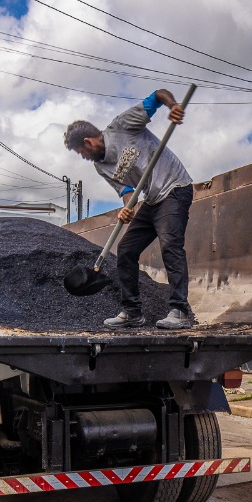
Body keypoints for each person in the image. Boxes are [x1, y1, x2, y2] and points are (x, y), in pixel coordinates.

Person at [64, 89, 194, 331]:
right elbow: (126, 191)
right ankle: (132, 312)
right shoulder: (101, 167)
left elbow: (157, 96)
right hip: (153, 199)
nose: (82, 157)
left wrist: (172, 106)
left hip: (175, 188)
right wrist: (127, 209)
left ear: (88, 142)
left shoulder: (122, 126)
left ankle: (180, 310)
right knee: (125, 249)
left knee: (170, 244)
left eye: (80, 152)